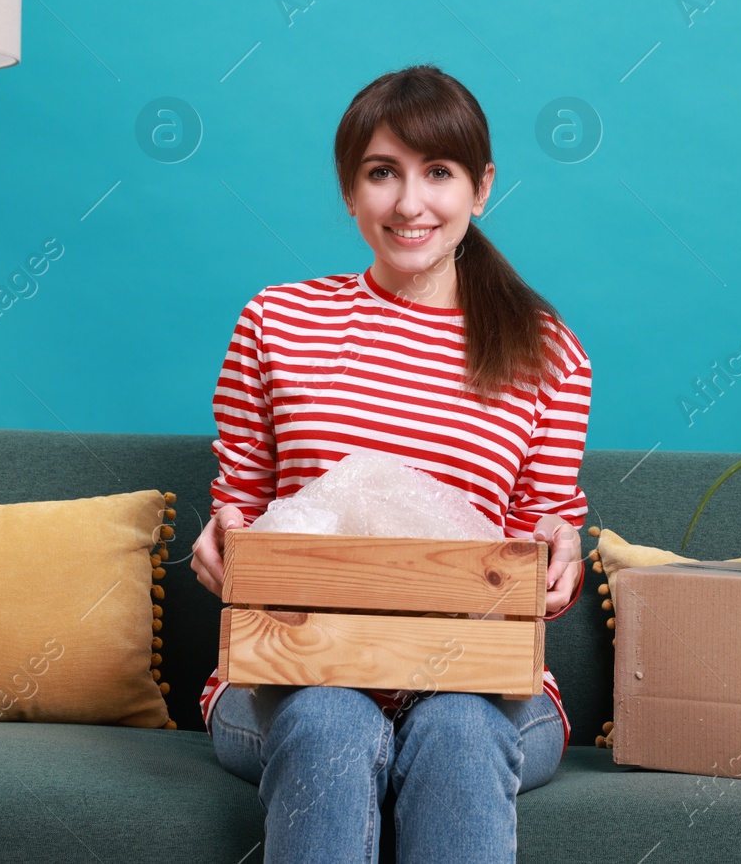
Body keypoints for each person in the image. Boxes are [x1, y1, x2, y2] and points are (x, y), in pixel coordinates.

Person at [189, 64, 593, 863]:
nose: (410, 204)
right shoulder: (277, 322)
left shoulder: (548, 353)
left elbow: (531, 553)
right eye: (383, 173)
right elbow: (243, 512)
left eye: (438, 172)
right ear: (350, 191)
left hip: (480, 684)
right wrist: (224, 541)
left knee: (458, 728)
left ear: (482, 188)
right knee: (333, 716)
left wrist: (561, 559)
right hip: (293, 671)